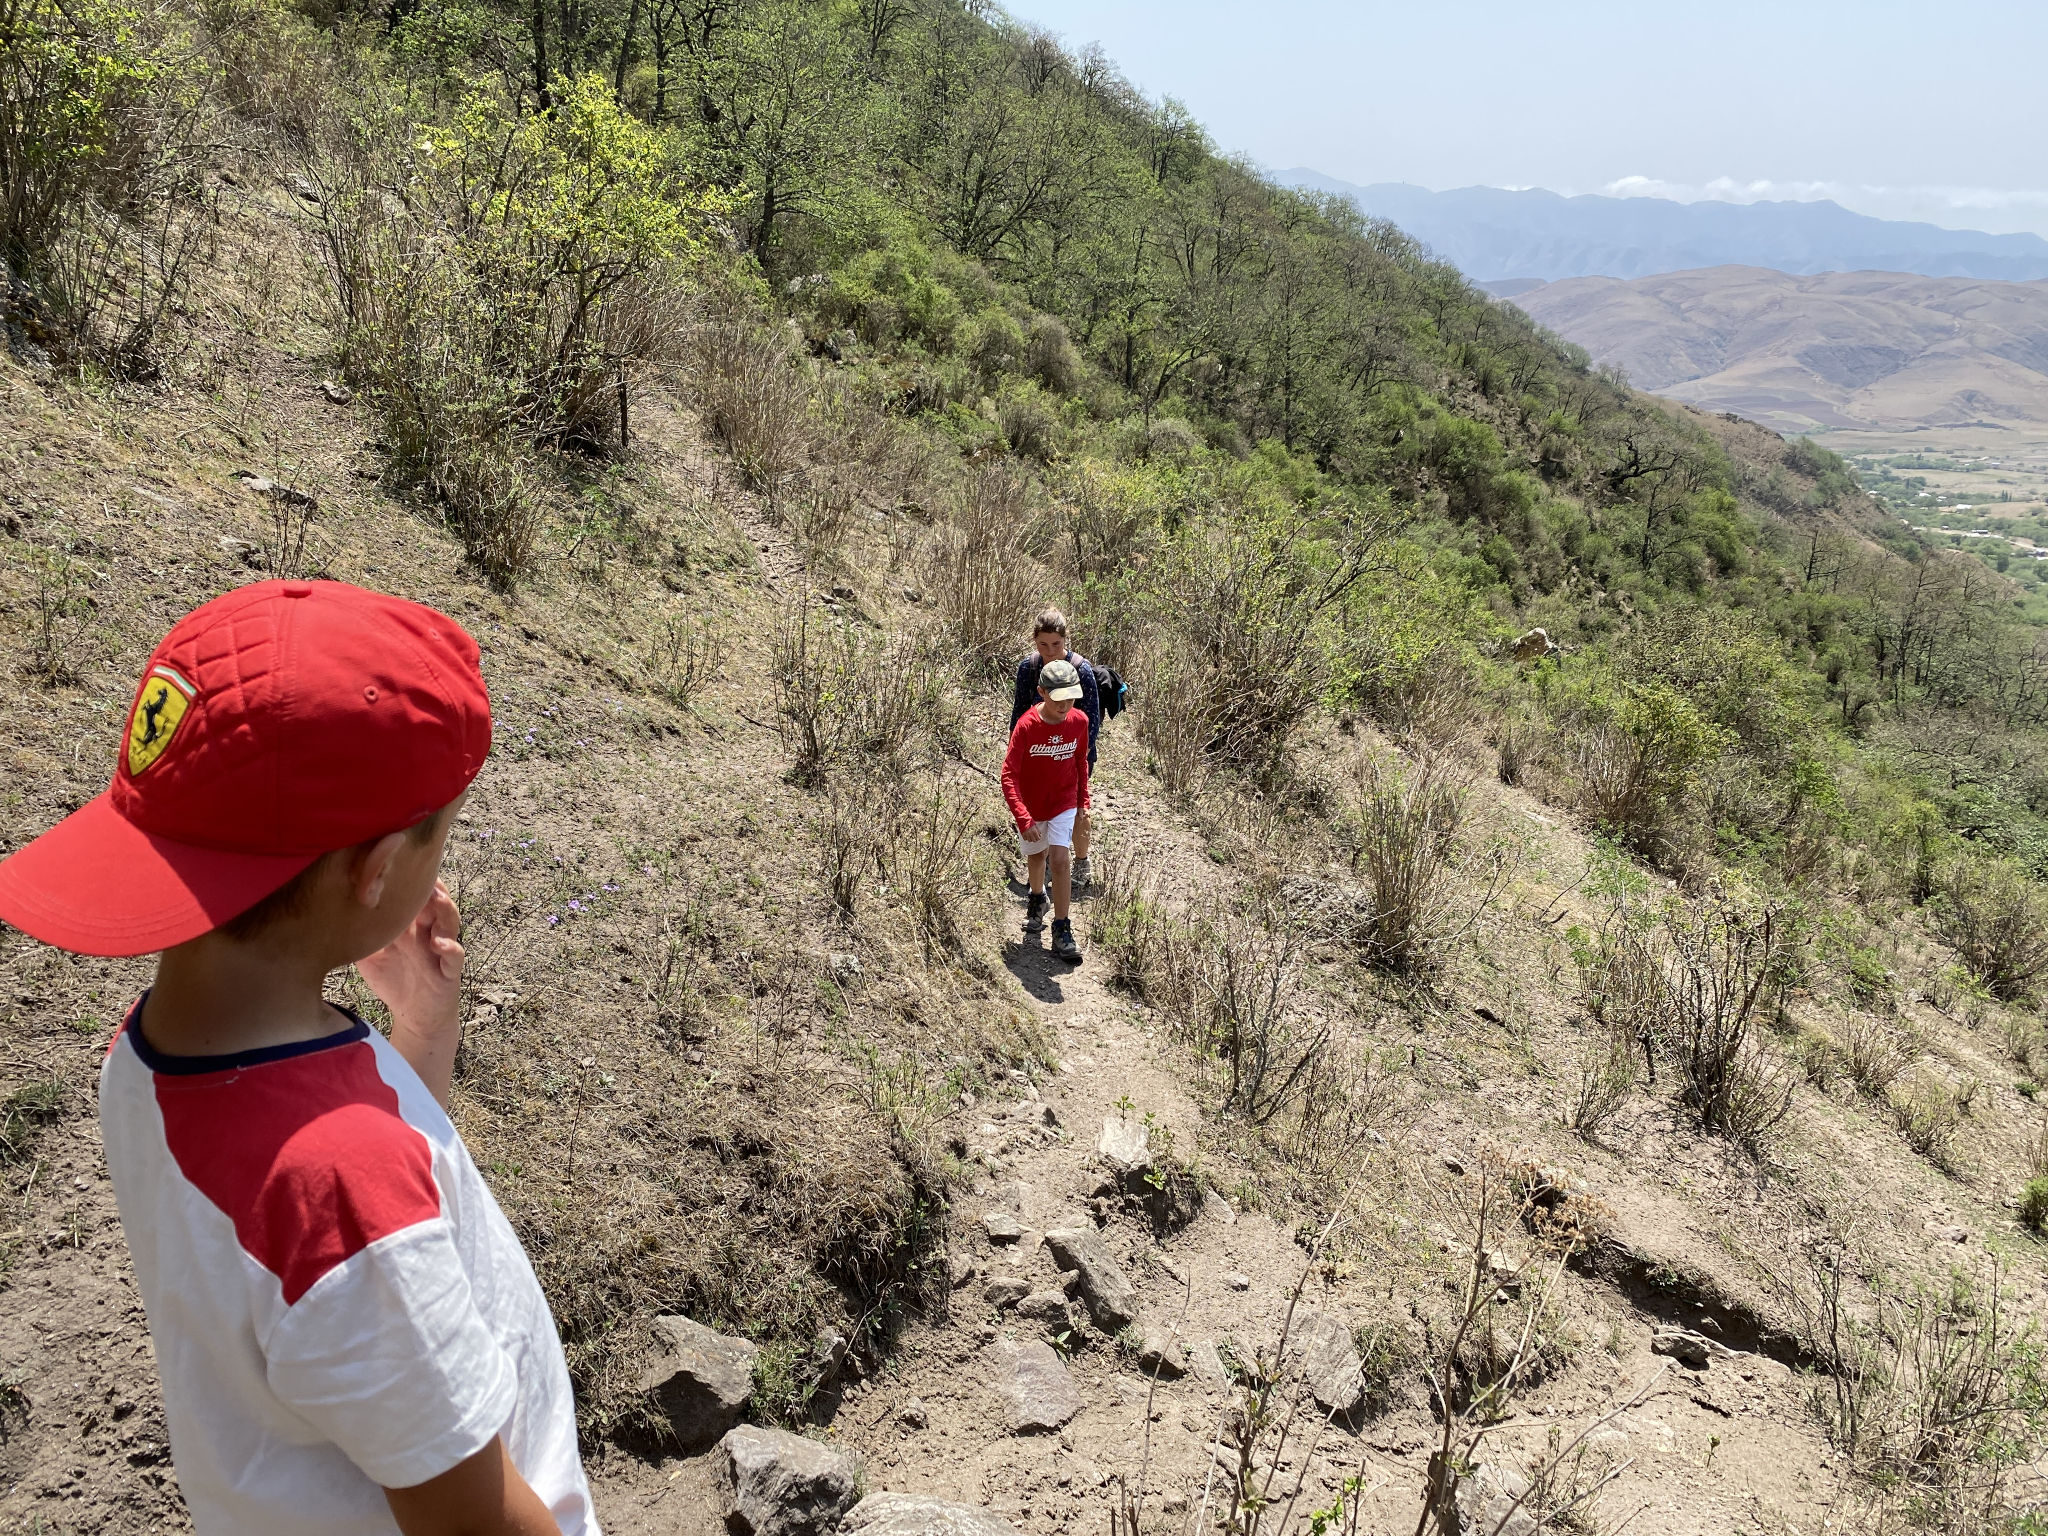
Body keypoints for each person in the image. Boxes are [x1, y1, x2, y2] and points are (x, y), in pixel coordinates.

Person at [0, 580, 595, 1536]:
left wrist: (422, 1036)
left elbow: (330, 1246)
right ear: (376, 873)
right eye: (438, 837)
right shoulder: (342, 1193)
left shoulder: (149, 1053)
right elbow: (467, 1520)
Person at [1001, 657, 1090, 964]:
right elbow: (1009, 775)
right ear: (1042, 692)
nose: (1065, 704)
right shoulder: (1027, 726)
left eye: (1071, 697)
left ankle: (1062, 928)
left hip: (1063, 801)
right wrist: (1023, 817)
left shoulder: (1079, 722)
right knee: (1036, 857)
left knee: (1061, 859)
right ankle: (1037, 899)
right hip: (1032, 804)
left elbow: (1080, 762)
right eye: (1058, 698)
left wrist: (1083, 802)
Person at [1010, 608, 1100, 889]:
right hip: (1037, 751)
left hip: (1075, 752)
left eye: (1056, 644)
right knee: (1041, 809)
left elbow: (1092, 721)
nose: (1049, 650)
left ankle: (1082, 863)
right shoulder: (1029, 667)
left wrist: (1073, 753)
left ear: (1065, 640)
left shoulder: (1081, 670)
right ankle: (1046, 868)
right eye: (1043, 644)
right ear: (1034, 642)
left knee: (1075, 808)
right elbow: (1019, 713)